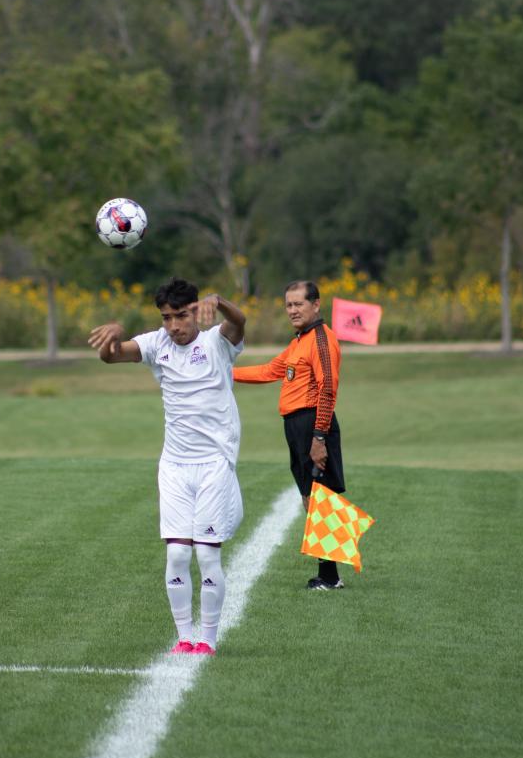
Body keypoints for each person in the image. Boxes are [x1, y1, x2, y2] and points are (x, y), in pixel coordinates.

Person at [88, 277, 247, 655]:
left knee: (207, 554)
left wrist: (220, 301)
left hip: (214, 464)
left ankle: (208, 638)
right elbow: (111, 355)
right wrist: (115, 333)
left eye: (181, 316)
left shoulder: (216, 342)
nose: (174, 326)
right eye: (166, 318)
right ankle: (184, 637)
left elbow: (239, 323)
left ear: (195, 311)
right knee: (177, 553)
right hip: (174, 465)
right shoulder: (156, 344)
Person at [232, 280, 347, 590]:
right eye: (289, 305)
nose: (293, 310)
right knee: (311, 499)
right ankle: (328, 573)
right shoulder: (299, 341)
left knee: (324, 500)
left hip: (313, 425)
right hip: (297, 427)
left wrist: (319, 437)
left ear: (316, 305)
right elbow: (271, 370)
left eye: (299, 304)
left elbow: (327, 389)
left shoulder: (321, 340)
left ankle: (330, 577)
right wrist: (224, 373)